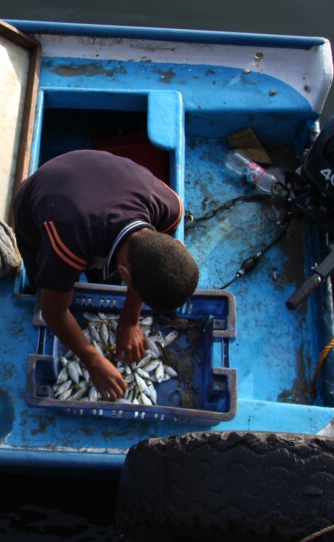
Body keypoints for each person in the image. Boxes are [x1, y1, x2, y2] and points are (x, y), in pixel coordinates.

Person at [13, 149, 199, 400]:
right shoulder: (67, 241)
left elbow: (143, 264)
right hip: (42, 199)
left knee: (100, 273)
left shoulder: (169, 208)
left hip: (97, 181)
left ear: (179, 246)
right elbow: (53, 312)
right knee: (47, 281)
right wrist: (92, 360)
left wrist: (130, 319)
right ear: (126, 274)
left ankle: (88, 277)